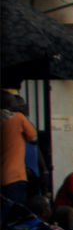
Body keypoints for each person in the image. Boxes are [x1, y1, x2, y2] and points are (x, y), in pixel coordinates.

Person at [2, 92, 37, 223]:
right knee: (16, 216)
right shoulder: (18, 118)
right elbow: (33, 138)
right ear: (10, 104)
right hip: (14, 176)